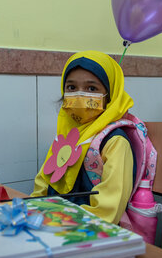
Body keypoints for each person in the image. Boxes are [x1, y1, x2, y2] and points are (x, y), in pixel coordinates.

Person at [30, 50, 140, 225]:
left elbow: (106, 211)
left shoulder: (114, 142)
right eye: (72, 88)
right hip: (50, 224)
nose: (80, 95)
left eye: (91, 88)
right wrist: (33, 209)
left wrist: (57, 221)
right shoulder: (66, 136)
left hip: (89, 231)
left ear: (110, 96)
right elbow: (43, 182)